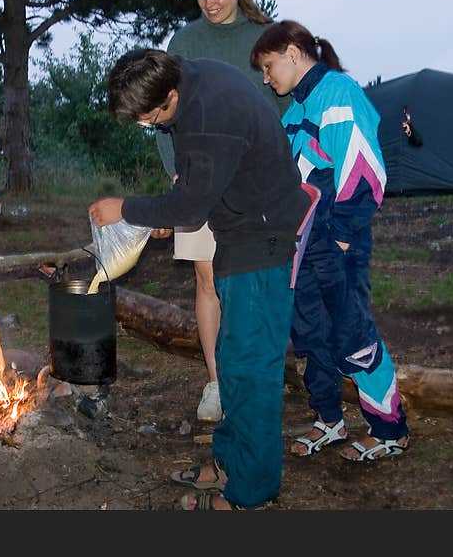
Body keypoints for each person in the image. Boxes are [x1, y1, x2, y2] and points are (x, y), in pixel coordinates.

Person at [89, 49, 310, 509]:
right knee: (232, 360)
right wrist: (176, 203)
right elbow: (198, 183)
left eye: (151, 118)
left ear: (170, 95)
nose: (151, 126)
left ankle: (251, 491)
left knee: (251, 369)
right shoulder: (188, 79)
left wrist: (126, 208)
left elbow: (191, 207)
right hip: (240, 226)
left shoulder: (209, 113)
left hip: (262, 238)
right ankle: (228, 461)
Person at [250, 20, 410, 462]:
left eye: (268, 67)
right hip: (301, 248)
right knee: (310, 334)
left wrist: (339, 240)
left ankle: (390, 428)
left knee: (352, 336)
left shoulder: (339, 93)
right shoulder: (296, 110)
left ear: (292, 52)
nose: (267, 78)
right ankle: (329, 420)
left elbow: (365, 173)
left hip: (337, 243)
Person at [154, 0, 289, 422]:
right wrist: (177, 172)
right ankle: (216, 382)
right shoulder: (185, 40)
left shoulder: (264, 38)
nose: (209, 3)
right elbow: (161, 114)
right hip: (199, 182)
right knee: (208, 278)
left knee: (252, 281)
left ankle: (254, 375)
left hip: (258, 189)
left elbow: (283, 111)